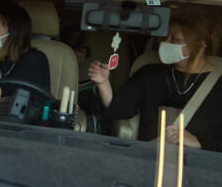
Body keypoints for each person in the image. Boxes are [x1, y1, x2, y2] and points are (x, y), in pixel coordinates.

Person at [88, 12, 222, 151]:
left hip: (203, 165)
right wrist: (103, 82)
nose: (165, 42)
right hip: (150, 159)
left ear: (200, 44)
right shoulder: (149, 74)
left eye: (174, 39)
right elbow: (119, 110)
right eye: (165, 37)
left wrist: (199, 143)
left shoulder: (218, 82)